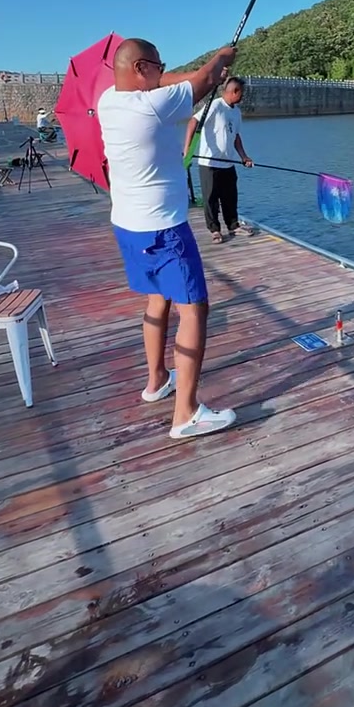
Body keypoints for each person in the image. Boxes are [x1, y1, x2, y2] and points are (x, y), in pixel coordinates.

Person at [97, 37, 238, 440]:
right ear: (141, 68)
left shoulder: (111, 100)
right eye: (158, 65)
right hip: (162, 229)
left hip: (128, 225)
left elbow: (180, 81)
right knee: (194, 310)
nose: (163, 70)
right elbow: (203, 79)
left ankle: (157, 379)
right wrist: (221, 59)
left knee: (157, 298)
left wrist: (204, 75)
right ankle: (186, 414)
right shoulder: (152, 107)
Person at [184, 77, 254, 243]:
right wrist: (187, 149)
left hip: (227, 162)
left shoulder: (236, 112)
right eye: (241, 93)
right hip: (209, 164)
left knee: (230, 197)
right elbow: (193, 121)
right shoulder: (215, 105)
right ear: (234, 91)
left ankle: (233, 226)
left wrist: (244, 156)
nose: (242, 97)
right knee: (211, 198)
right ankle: (214, 230)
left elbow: (236, 136)